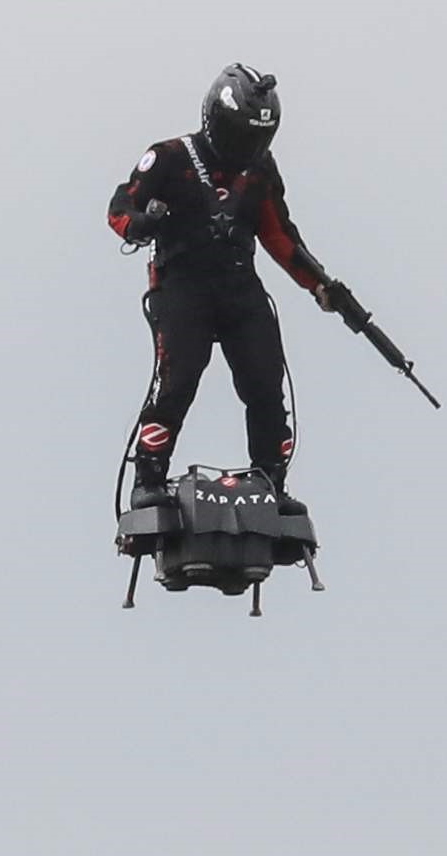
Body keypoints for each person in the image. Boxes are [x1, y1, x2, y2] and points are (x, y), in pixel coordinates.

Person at [109, 65, 368, 517]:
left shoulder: (260, 169)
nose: (245, 147)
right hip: (182, 286)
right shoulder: (169, 156)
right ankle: (147, 479)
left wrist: (321, 287)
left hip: (239, 288)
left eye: (255, 138)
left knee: (266, 383)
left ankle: (271, 480)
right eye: (239, 134)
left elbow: (280, 237)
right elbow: (119, 209)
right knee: (177, 382)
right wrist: (141, 224)